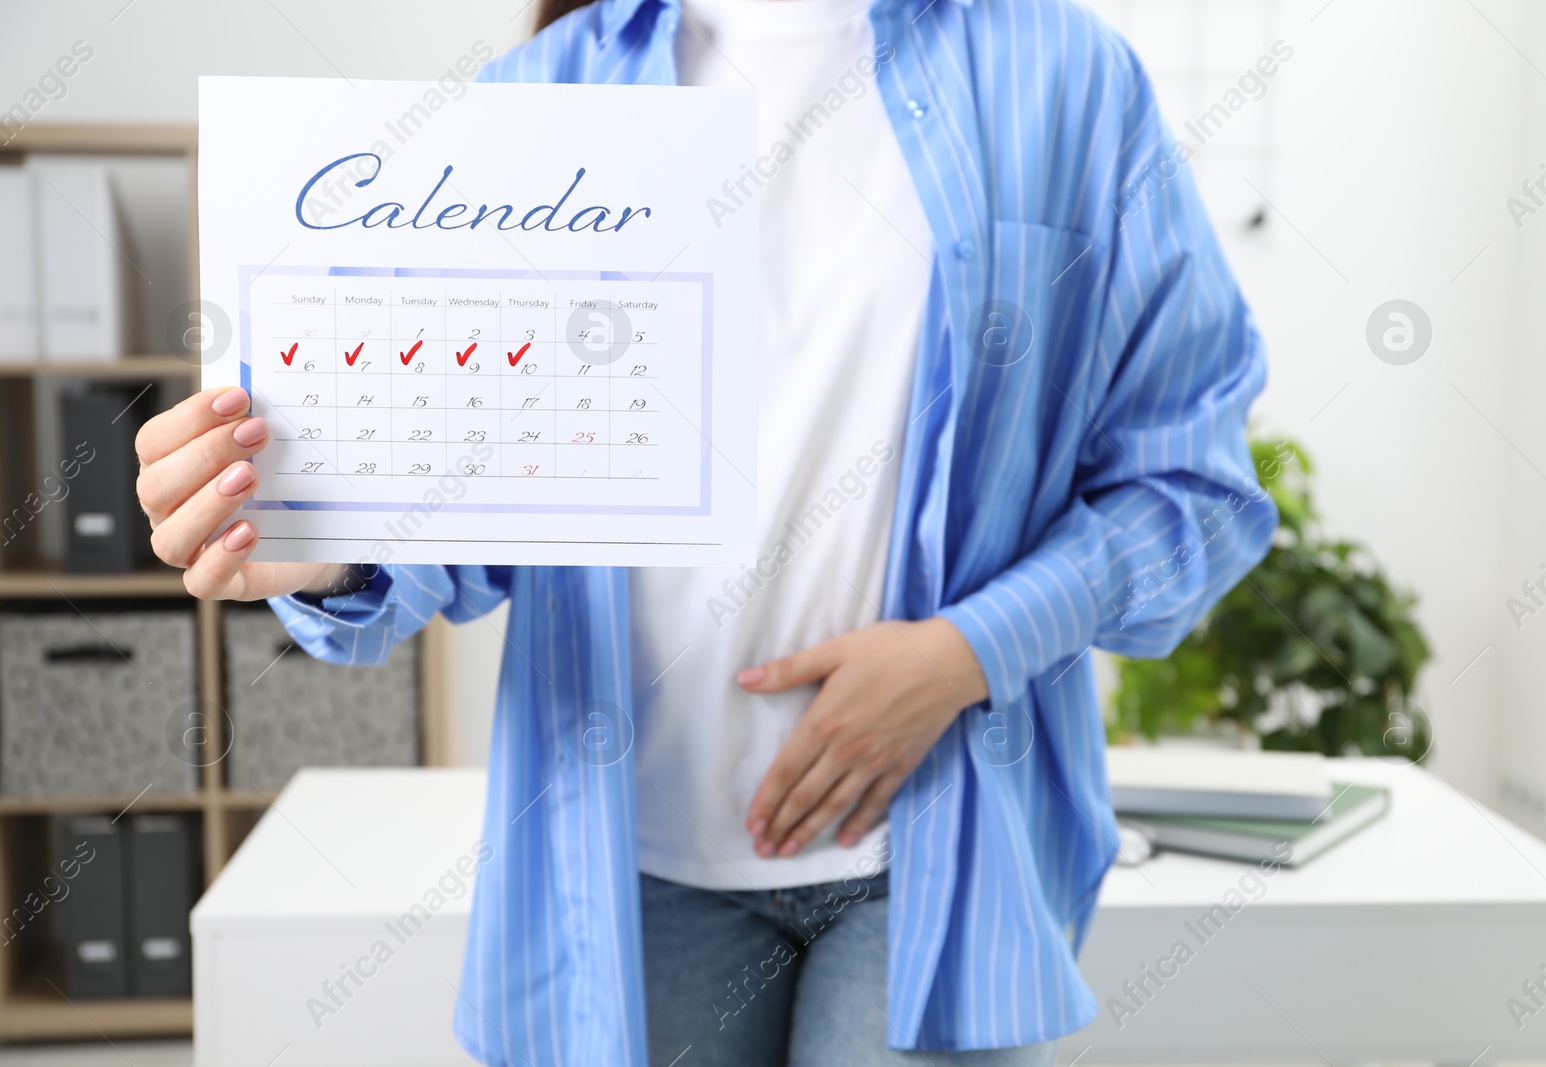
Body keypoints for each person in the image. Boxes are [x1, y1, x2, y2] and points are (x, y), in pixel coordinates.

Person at [134, 0, 1277, 1061]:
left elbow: (1193, 485)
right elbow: (478, 507)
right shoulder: (541, 93)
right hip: (629, 870)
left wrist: (964, 653)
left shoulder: (1064, 76)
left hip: (933, 852)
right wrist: (328, 538)